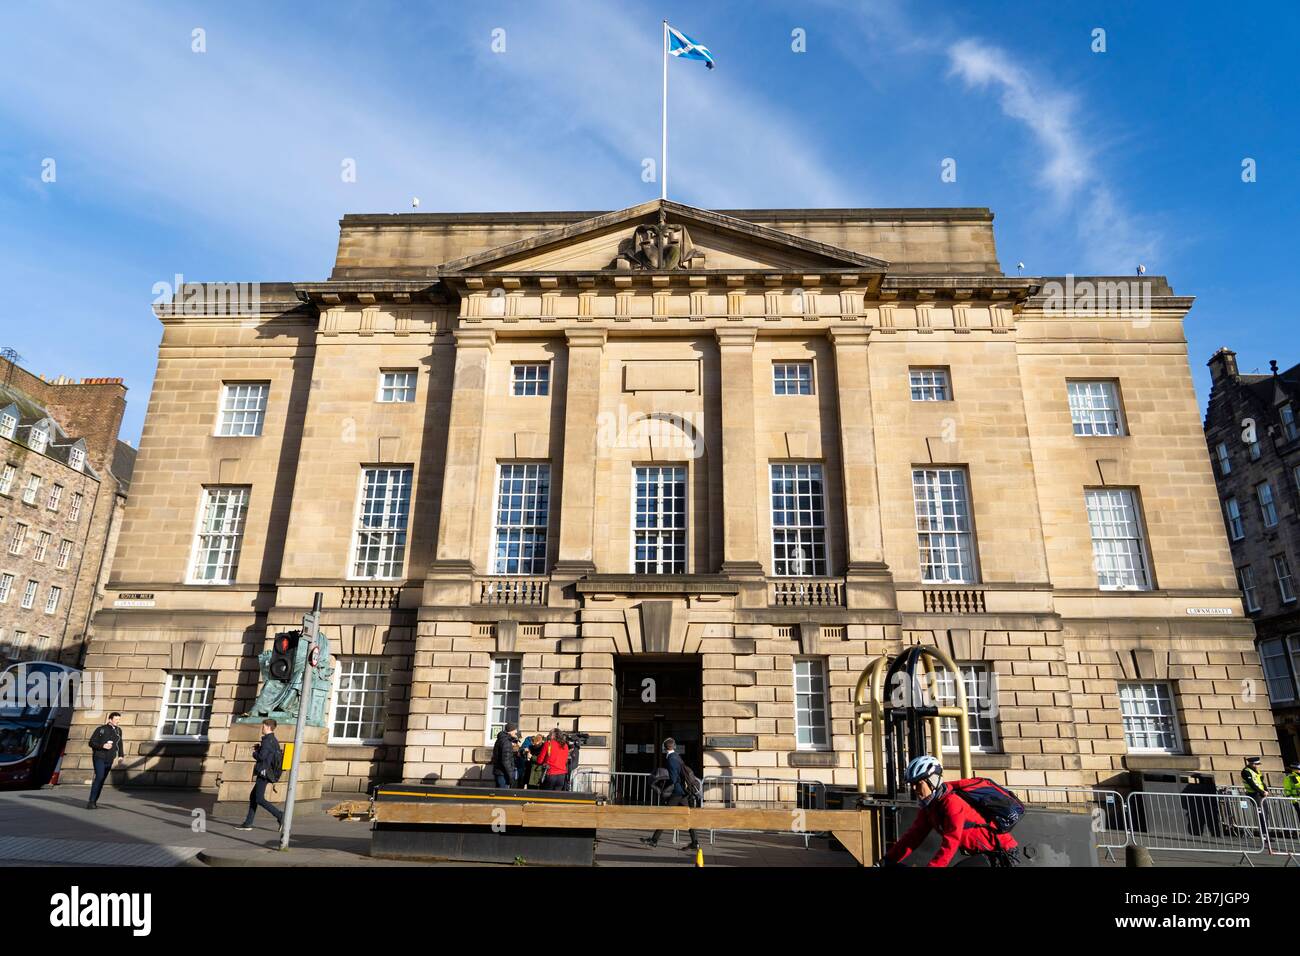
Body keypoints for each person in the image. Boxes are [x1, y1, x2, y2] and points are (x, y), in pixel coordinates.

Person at [881, 755, 1018, 867]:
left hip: (1002, 854)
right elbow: (913, 838)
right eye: (912, 784)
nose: (915, 789)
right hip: (983, 855)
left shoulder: (952, 802)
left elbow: (951, 841)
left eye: (918, 783)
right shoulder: (929, 807)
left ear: (932, 781)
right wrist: (886, 861)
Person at [640, 738, 700, 852]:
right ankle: (695, 842)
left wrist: (664, 783)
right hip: (683, 792)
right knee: (688, 817)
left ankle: (654, 841)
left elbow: (673, 778)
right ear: (674, 746)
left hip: (677, 792)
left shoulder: (671, 759)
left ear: (664, 747)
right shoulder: (677, 756)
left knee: (665, 815)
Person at [236, 720, 283, 831]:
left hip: (263, 772)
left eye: (263, 726)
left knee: (259, 799)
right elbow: (268, 755)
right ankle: (248, 823)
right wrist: (260, 749)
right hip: (268, 772)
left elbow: (261, 757)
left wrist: (254, 753)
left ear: (267, 727)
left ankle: (280, 815)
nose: (262, 728)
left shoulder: (267, 741)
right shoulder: (273, 740)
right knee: (253, 797)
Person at [86, 711, 124, 809]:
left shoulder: (119, 730)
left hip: (110, 758)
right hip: (99, 756)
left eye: (119, 720)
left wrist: (120, 756)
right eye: (116, 720)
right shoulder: (101, 729)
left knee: (102, 780)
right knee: (99, 777)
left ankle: (94, 801)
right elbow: (91, 743)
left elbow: (120, 744)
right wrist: (102, 746)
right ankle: (91, 802)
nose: (117, 722)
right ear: (110, 719)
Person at [491, 723, 519, 789]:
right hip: (503, 773)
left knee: (499, 794)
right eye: (515, 730)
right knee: (503, 795)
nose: (516, 732)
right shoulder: (506, 742)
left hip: (500, 772)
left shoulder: (501, 739)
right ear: (511, 730)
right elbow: (505, 760)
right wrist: (511, 775)